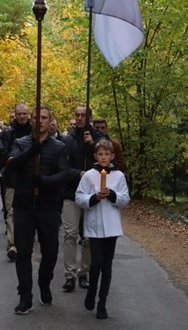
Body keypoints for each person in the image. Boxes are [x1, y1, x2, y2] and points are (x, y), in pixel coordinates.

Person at [7, 106, 69, 315]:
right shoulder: (20, 143)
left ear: (50, 120)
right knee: (23, 252)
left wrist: (44, 181)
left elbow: (63, 175)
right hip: (24, 204)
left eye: (43, 117)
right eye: (36, 117)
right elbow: (11, 165)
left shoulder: (59, 147)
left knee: (50, 251)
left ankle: (44, 281)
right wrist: (30, 152)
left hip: (48, 206)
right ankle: (25, 296)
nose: (39, 121)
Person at [75, 139, 130, 319]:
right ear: (95, 156)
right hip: (95, 225)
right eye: (100, 154)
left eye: (107, 154)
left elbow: (125, 199)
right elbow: (79, 198)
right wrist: (94, 198)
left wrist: (112, 195)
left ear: (112, 156)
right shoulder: (89, 175)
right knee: (96, 262)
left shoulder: (118, 176)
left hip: (112, 227)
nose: (104, 157)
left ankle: (102, 303)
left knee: (107, 266)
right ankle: (92, 290)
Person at [61, 105, 105, 292]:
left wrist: (92, 144)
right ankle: (69, 275)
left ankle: (83, 272)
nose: (79, 118)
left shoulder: (99, 138)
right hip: (71, 193)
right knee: (70, 233)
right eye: (77, 115)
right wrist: (78, 173)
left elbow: (107, 161)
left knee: (87, 237)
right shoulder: (67, 139)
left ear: (89, 117)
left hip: (92, 196)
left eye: (83, 116)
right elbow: (62, 167)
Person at [0, 103, 32, 261]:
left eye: (24, 114)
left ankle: (25, 241)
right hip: (12, 178)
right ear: (15, 115)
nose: (22, 117)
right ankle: (12, 245)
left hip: (30, 178)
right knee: (11, 212)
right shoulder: (7, 133)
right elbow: (0, 151)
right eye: (19, 114)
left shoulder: (34, 131)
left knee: (28, 212)